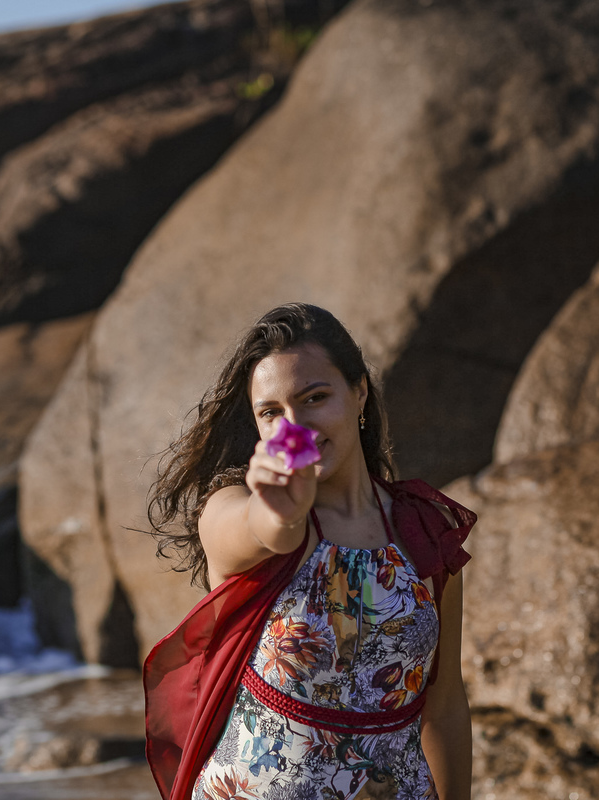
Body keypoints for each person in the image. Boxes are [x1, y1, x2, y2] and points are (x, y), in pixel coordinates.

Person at [144, 303, 475, 800]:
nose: (294, 428)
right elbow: (261, 529)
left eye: (315, 397)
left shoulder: (424, 529)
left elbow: (444, 703)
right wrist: (278, 511)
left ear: (359, 392)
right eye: (271, 413)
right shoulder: (232, 508)